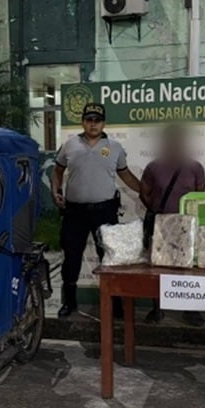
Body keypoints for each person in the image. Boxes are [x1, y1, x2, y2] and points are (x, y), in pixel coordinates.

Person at [52, 103, 141, 317]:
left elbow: (125, 174)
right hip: (75, 212)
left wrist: (145, 192)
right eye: (89, 120)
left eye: (97, 120)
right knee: (72, 258)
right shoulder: (69, 145)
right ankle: (69, 302)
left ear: (104, 123)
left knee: (109, 258)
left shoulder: (115, 147)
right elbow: (57, 170)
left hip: (104, 211)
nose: (93, 124)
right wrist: (55, 190)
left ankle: (115, 305)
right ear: (83, 121)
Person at [139, 124, 205, 326]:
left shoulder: (195, 167)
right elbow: (144, 193)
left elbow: (200, 197)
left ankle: (191, 310)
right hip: (161, 226)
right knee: (157, 268)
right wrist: (159, 214)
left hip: (187, 227)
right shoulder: (153, 167)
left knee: (190, 270)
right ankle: (157, 308)